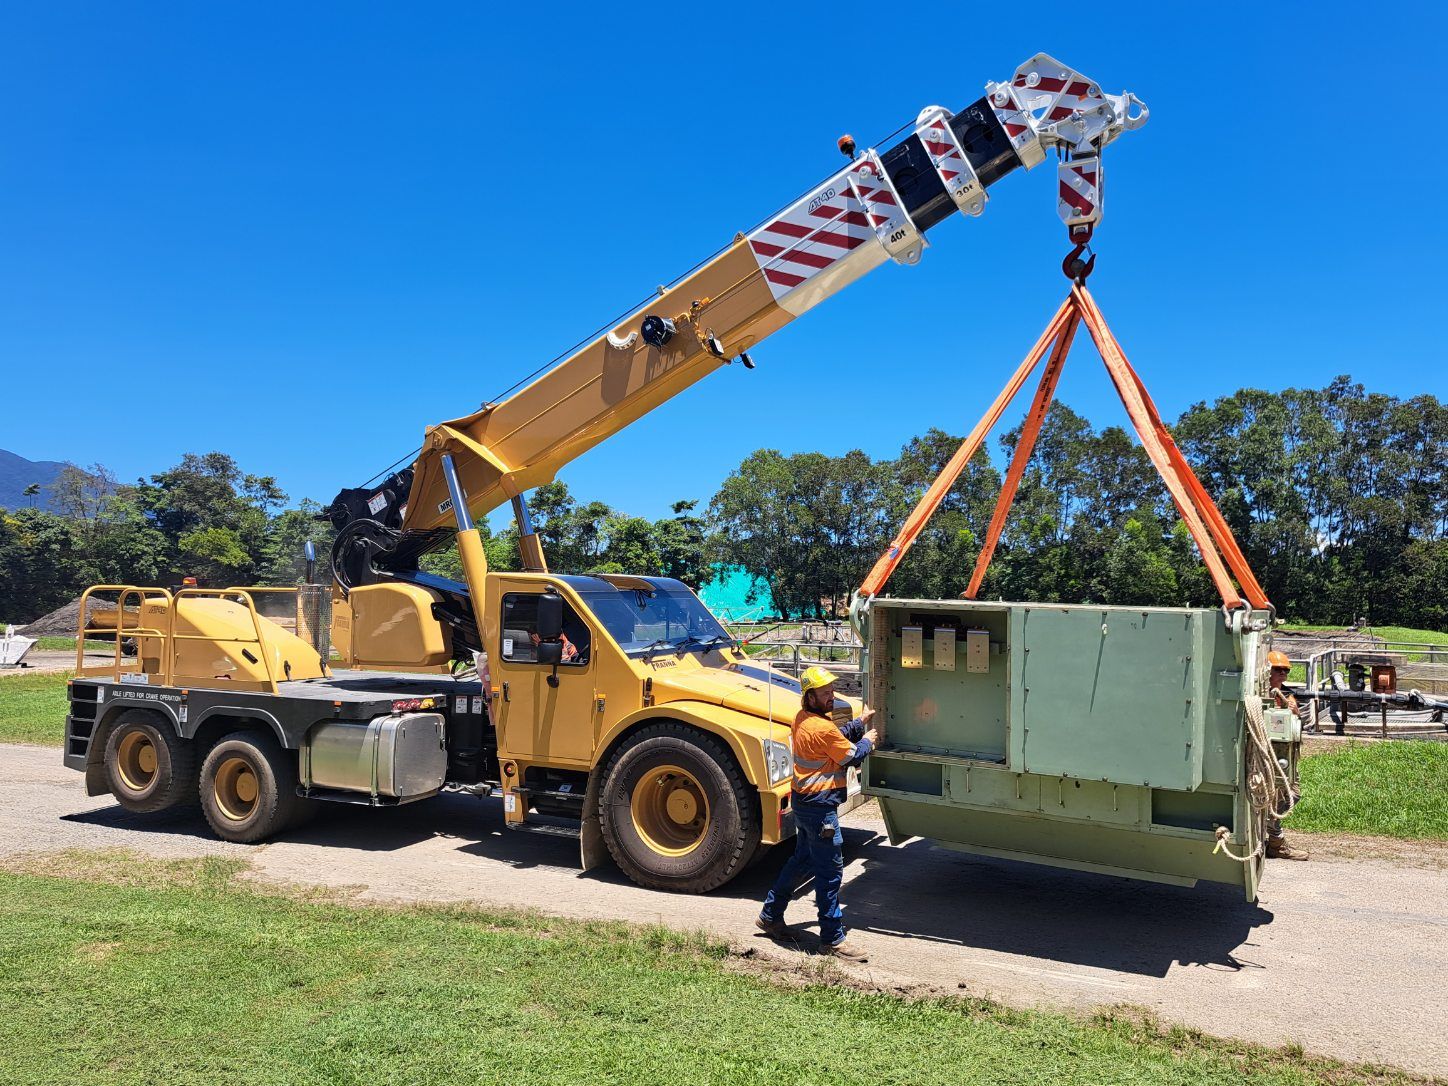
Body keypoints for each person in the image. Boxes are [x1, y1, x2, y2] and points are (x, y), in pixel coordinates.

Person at [757, 665, 877, 962]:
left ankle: (770, 915)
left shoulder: (803, 719)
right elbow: (851, 755)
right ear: (810, 696)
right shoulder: (821, 727)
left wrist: (859, 723)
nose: (831, 697)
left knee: (802, 860)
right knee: (830, 873)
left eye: (831, 691)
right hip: (821, 811)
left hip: (804, 805)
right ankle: (832, 940)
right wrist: (869, 740)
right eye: (825, 693)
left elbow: (833, 737)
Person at [1265, 650, 1308, 861]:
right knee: (1276, 795)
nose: (1283, 673)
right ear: (1268, 672)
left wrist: (1295, 712)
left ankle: (1269, 830)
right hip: (1268, 756)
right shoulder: (1263, 697)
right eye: (1278, 669)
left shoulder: (1288, 695)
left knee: (1293, 794)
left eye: (1286, 670)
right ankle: (1275, 842)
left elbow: (1299, 726)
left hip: (1286, 755)